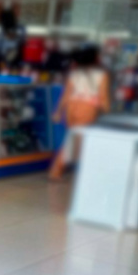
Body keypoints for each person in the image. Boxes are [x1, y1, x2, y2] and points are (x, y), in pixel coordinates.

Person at [49, 44, 109, 181]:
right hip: (87, 108)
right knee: (78, 140)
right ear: (95, 58)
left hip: (71, 108)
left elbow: (66, 94)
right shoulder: (101, 75)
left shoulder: (74, 73)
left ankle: (61, 170)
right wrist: (108, 114)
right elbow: (104, 97)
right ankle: (57, 170)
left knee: (76, 138)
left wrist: (58, 111)